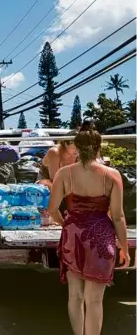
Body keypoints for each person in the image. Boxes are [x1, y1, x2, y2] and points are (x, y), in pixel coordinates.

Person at [49, 121, 130, 335]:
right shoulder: (111, 175)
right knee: (95, 300)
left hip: (72, 235)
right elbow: (119, 217)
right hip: (100, 237)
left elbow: (53, 209)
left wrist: (67, 224)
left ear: (76, 146)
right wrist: (124, 247)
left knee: (75, 296)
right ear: (98, 146)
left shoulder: (64, 174)